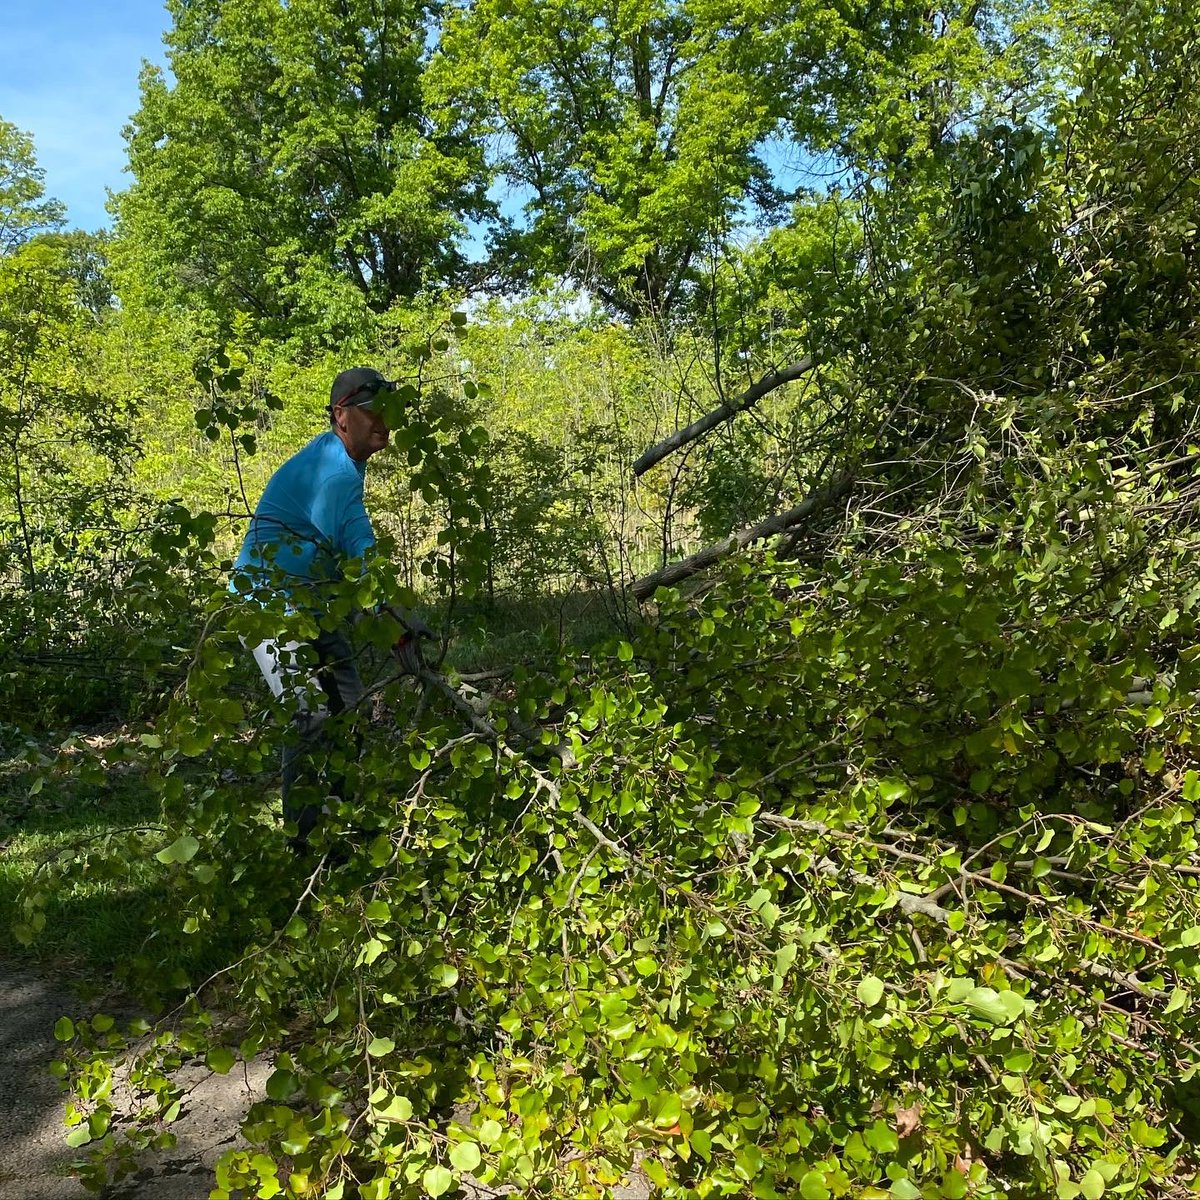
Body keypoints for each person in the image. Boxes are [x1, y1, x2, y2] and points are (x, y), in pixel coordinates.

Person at [231, 366, 416, 847]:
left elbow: (341, 551)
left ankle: (341, 819)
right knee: (311, 712)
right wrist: (388, 616)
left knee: (349, 707)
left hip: (314, 604)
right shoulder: (332, 471)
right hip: (266, 607)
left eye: (388, 413)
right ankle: (303, 840)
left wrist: (379, 611)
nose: (383, 422)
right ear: (341, 416)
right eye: (371, 411)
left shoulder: (342, 460)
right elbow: (357, 541)